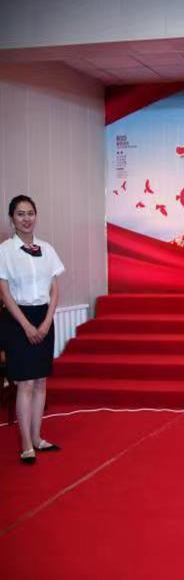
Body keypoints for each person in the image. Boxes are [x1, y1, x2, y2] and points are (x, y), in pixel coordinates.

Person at [0, 195, 65, 464]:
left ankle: (38, 437)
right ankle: (26, 444)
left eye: (30, 213)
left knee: (40, 381)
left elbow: (54, 289)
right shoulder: (5, 250)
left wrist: (47, 321)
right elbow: (4, 293)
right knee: (25, 383)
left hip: (43, 316)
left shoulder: (47, 249)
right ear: (12, 219)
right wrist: (26, 325)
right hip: (17, 319)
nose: (26, 219)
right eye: (20, 214)